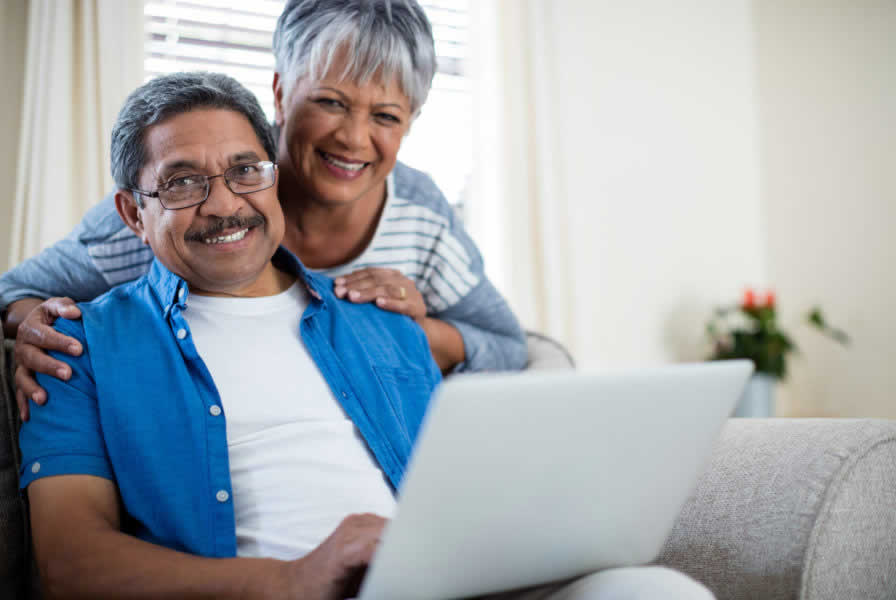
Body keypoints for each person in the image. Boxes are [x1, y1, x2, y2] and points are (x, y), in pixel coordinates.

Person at [20, 71, 713, 600]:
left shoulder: (383, 321)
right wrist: (292, 579)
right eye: (182, 182)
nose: (225, 203)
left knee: (659, 590)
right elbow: (68, 562)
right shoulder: (76, 348)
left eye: (244, 171)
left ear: (275, 177)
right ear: (132, 214)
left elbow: (470, 476)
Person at [0, 0, 528, 422]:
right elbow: (14, 293)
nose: (352, 138)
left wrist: (410, 333)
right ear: (280, 92)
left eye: (385, 115)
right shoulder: (187, 211)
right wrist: (38, 326)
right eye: (330, 102)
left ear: (410, 121)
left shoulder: (422, 216)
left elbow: (508, 345)